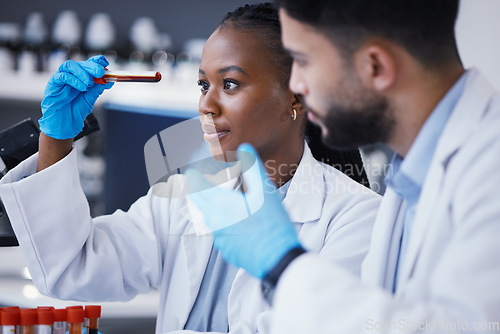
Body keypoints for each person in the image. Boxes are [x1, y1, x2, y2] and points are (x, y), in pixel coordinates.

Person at [0, 4, 381, 334]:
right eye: (203, 85)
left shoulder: (355, 218)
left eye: (229, 84)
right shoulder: (185, 197)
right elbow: (73, 267)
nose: (206, 105)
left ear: (295, 97)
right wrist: (55, 136)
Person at [186, 0, 500, 333]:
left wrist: (284, 264)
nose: (297, 86)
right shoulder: (410, 177)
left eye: (304, 62)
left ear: (375, 66)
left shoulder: (489, 169)